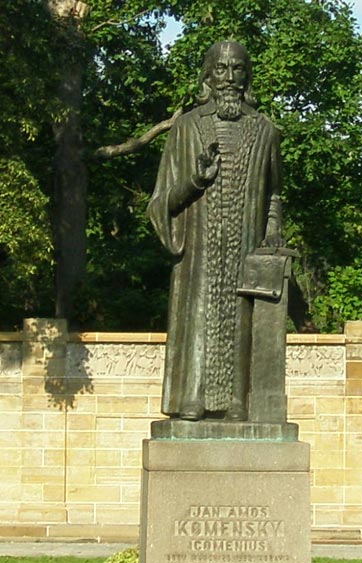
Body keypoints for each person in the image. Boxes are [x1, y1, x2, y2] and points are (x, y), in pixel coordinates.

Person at [147, 41, 284, 422]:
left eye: (237, 69)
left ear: (247, 75)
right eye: (220, 69)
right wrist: (194, 180)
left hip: (244, 244)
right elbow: (161, 200)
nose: (229, 78)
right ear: (207, 76)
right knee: (201, 315)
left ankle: (238, 399)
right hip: (201, 253)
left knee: (241, 318)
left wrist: (272, 229)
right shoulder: (187, 127)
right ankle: (194, 396)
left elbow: (274, 193)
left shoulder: (265, 130)